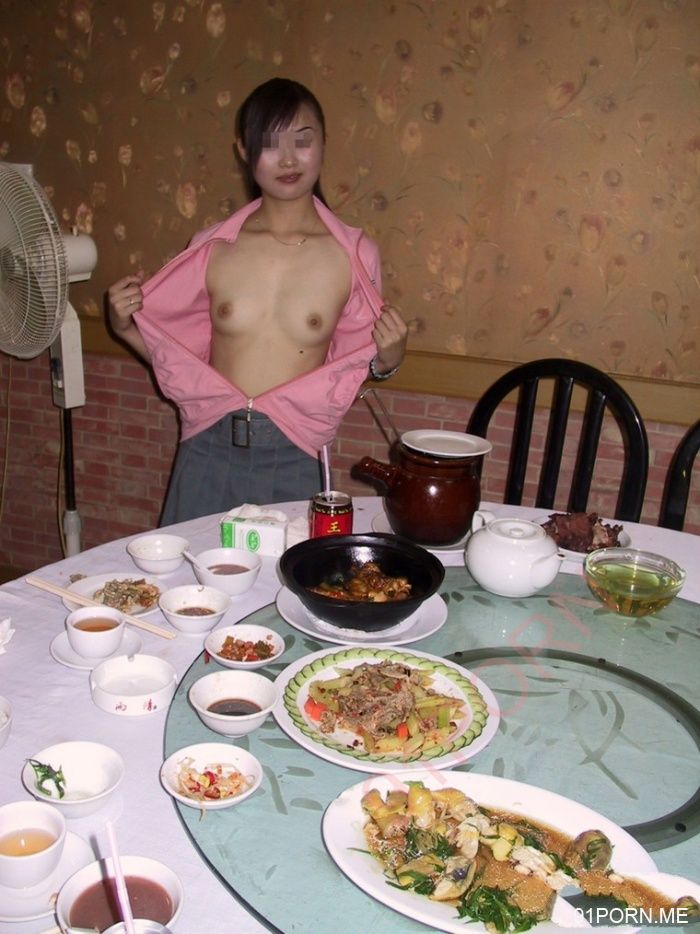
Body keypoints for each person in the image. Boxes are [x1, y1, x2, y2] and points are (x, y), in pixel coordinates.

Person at [108, 77, 407, 525]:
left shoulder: (354, 256)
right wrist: (124, 327)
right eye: (269, 143)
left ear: (324, 143)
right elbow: (179, 360)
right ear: (244, 151)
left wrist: (390, 358)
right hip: (207, 447)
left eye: (302, 140)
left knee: (288, 573)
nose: (287, 159)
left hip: (296, 456)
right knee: (189, 572)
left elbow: (356, 366)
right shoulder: (213, 247)